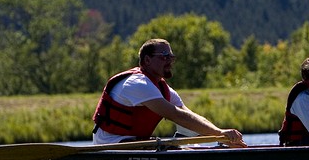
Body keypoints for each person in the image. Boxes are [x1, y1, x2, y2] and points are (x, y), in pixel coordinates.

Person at [92, 38, 246, 147]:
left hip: (135, 143)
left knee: (191, 128)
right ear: (147, 61)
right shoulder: (137, 84)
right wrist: (219, 132)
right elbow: (176, 115)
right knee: (168, 143)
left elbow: (188, 116)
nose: (170, 61)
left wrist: (222, 137)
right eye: (164, 57)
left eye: (171, 57)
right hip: (112, 145)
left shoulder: (163, 89)